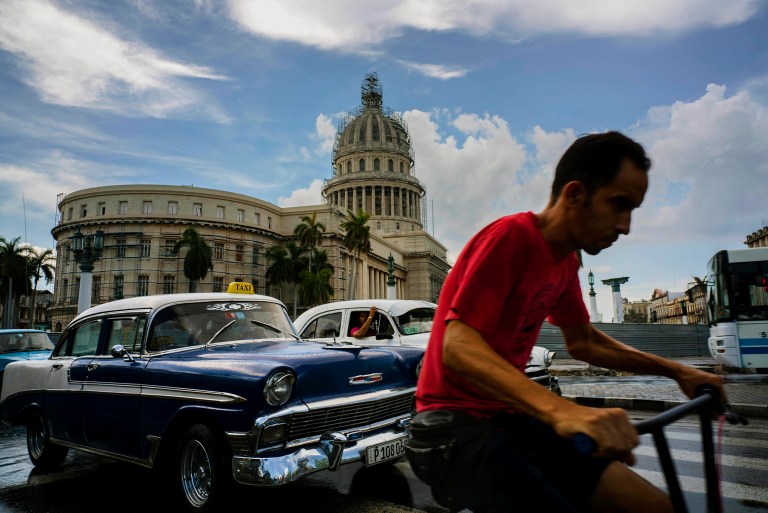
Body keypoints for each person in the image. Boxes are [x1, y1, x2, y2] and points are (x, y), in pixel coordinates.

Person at [408, 131, 726, 513]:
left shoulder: (564, 263)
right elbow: (457, 346)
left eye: (632, 210)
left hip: (511, 418)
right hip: (454, 430)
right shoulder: (511, 237)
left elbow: (585, 343)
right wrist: (564, 410)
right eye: (618, 205)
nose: (625, 225)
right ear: (574, 194)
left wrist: (676, 371)